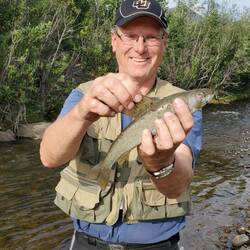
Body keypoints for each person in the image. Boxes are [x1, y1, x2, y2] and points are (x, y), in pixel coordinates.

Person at [40, 0, 202, 249]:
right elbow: (49, 158)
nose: (140, 47)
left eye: (150, 37)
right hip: (86, 242)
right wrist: (82, 112)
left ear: (164, 43)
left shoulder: (182, 104)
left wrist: (161, 163)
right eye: (130, 36)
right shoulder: (83, 94)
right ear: (114, 41)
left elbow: (178, 185)